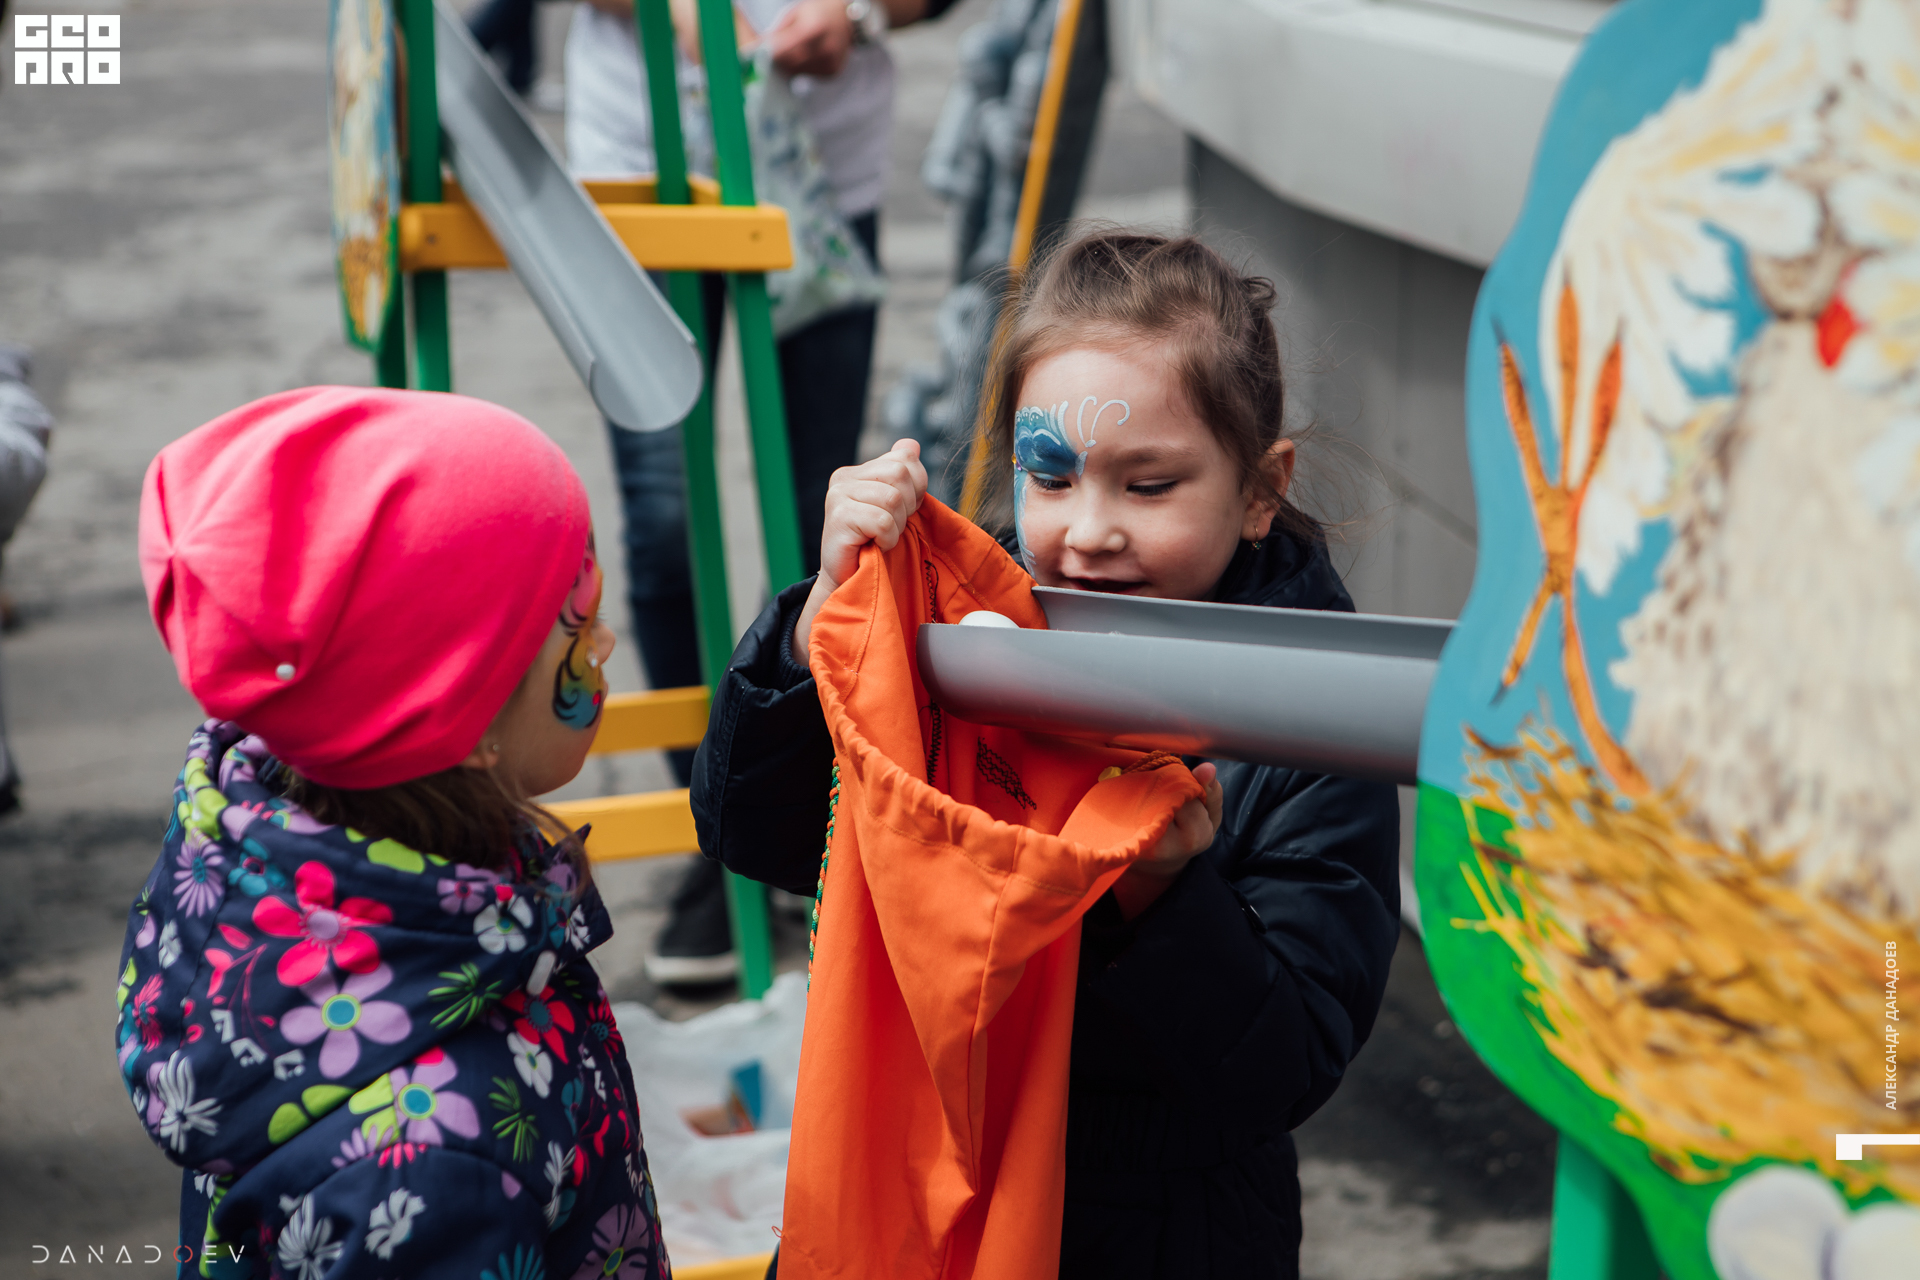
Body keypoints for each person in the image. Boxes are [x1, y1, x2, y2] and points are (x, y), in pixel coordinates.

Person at [693, 231, 1402, 1276]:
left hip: (1170, 1236)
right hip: (932, 1188)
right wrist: (820, 631)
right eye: (1052, 476)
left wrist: (1166, 893)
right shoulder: (972, 639)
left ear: (1260, 488)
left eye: (1149, 486)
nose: (1089, 531)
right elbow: (756, 832)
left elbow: (1286, 1063)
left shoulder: (1315, 716)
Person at [119, 388, 670, 1278]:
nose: (604, 641)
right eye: (577, 619)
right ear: (465, 717)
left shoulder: (258, 856)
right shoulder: (433, 1173)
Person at [565, 0, 961, 986]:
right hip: (640, 168)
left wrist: (860, 10)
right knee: (664, 526)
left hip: (814, 172)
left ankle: (790, 811)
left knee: (816, 525)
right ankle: (721, 827)